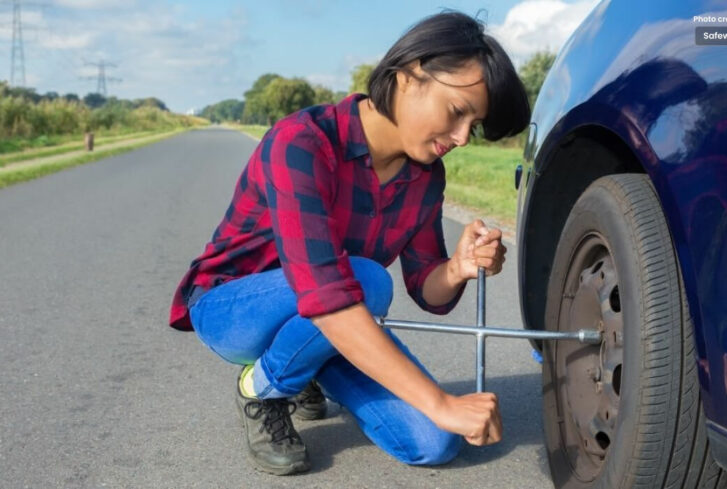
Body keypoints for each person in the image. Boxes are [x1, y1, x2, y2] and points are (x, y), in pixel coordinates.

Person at [167, 10, 530, 476]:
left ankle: (305, 365)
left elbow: (426, 290)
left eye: (472, 126)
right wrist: (441, 400)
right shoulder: (301, 142)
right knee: (367, 281)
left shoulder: (426, 176)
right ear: (409, 75)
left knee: (435, 440)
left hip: (330, 316)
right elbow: (328, 296)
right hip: (233, 309)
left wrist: (457, 266)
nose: (461, 138)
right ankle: (263, 387)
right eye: (458, 112)